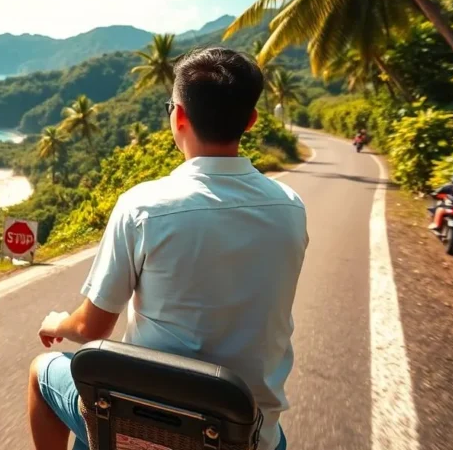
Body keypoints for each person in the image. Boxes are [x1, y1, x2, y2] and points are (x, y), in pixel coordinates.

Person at [28, 48, 308, 450]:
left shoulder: (143, 207)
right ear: (250, 120)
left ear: (178, 117)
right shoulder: (291, 208)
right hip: (248, 436)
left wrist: (57, 323)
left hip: (148, 428)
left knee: (43, 372)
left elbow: (91, 329)